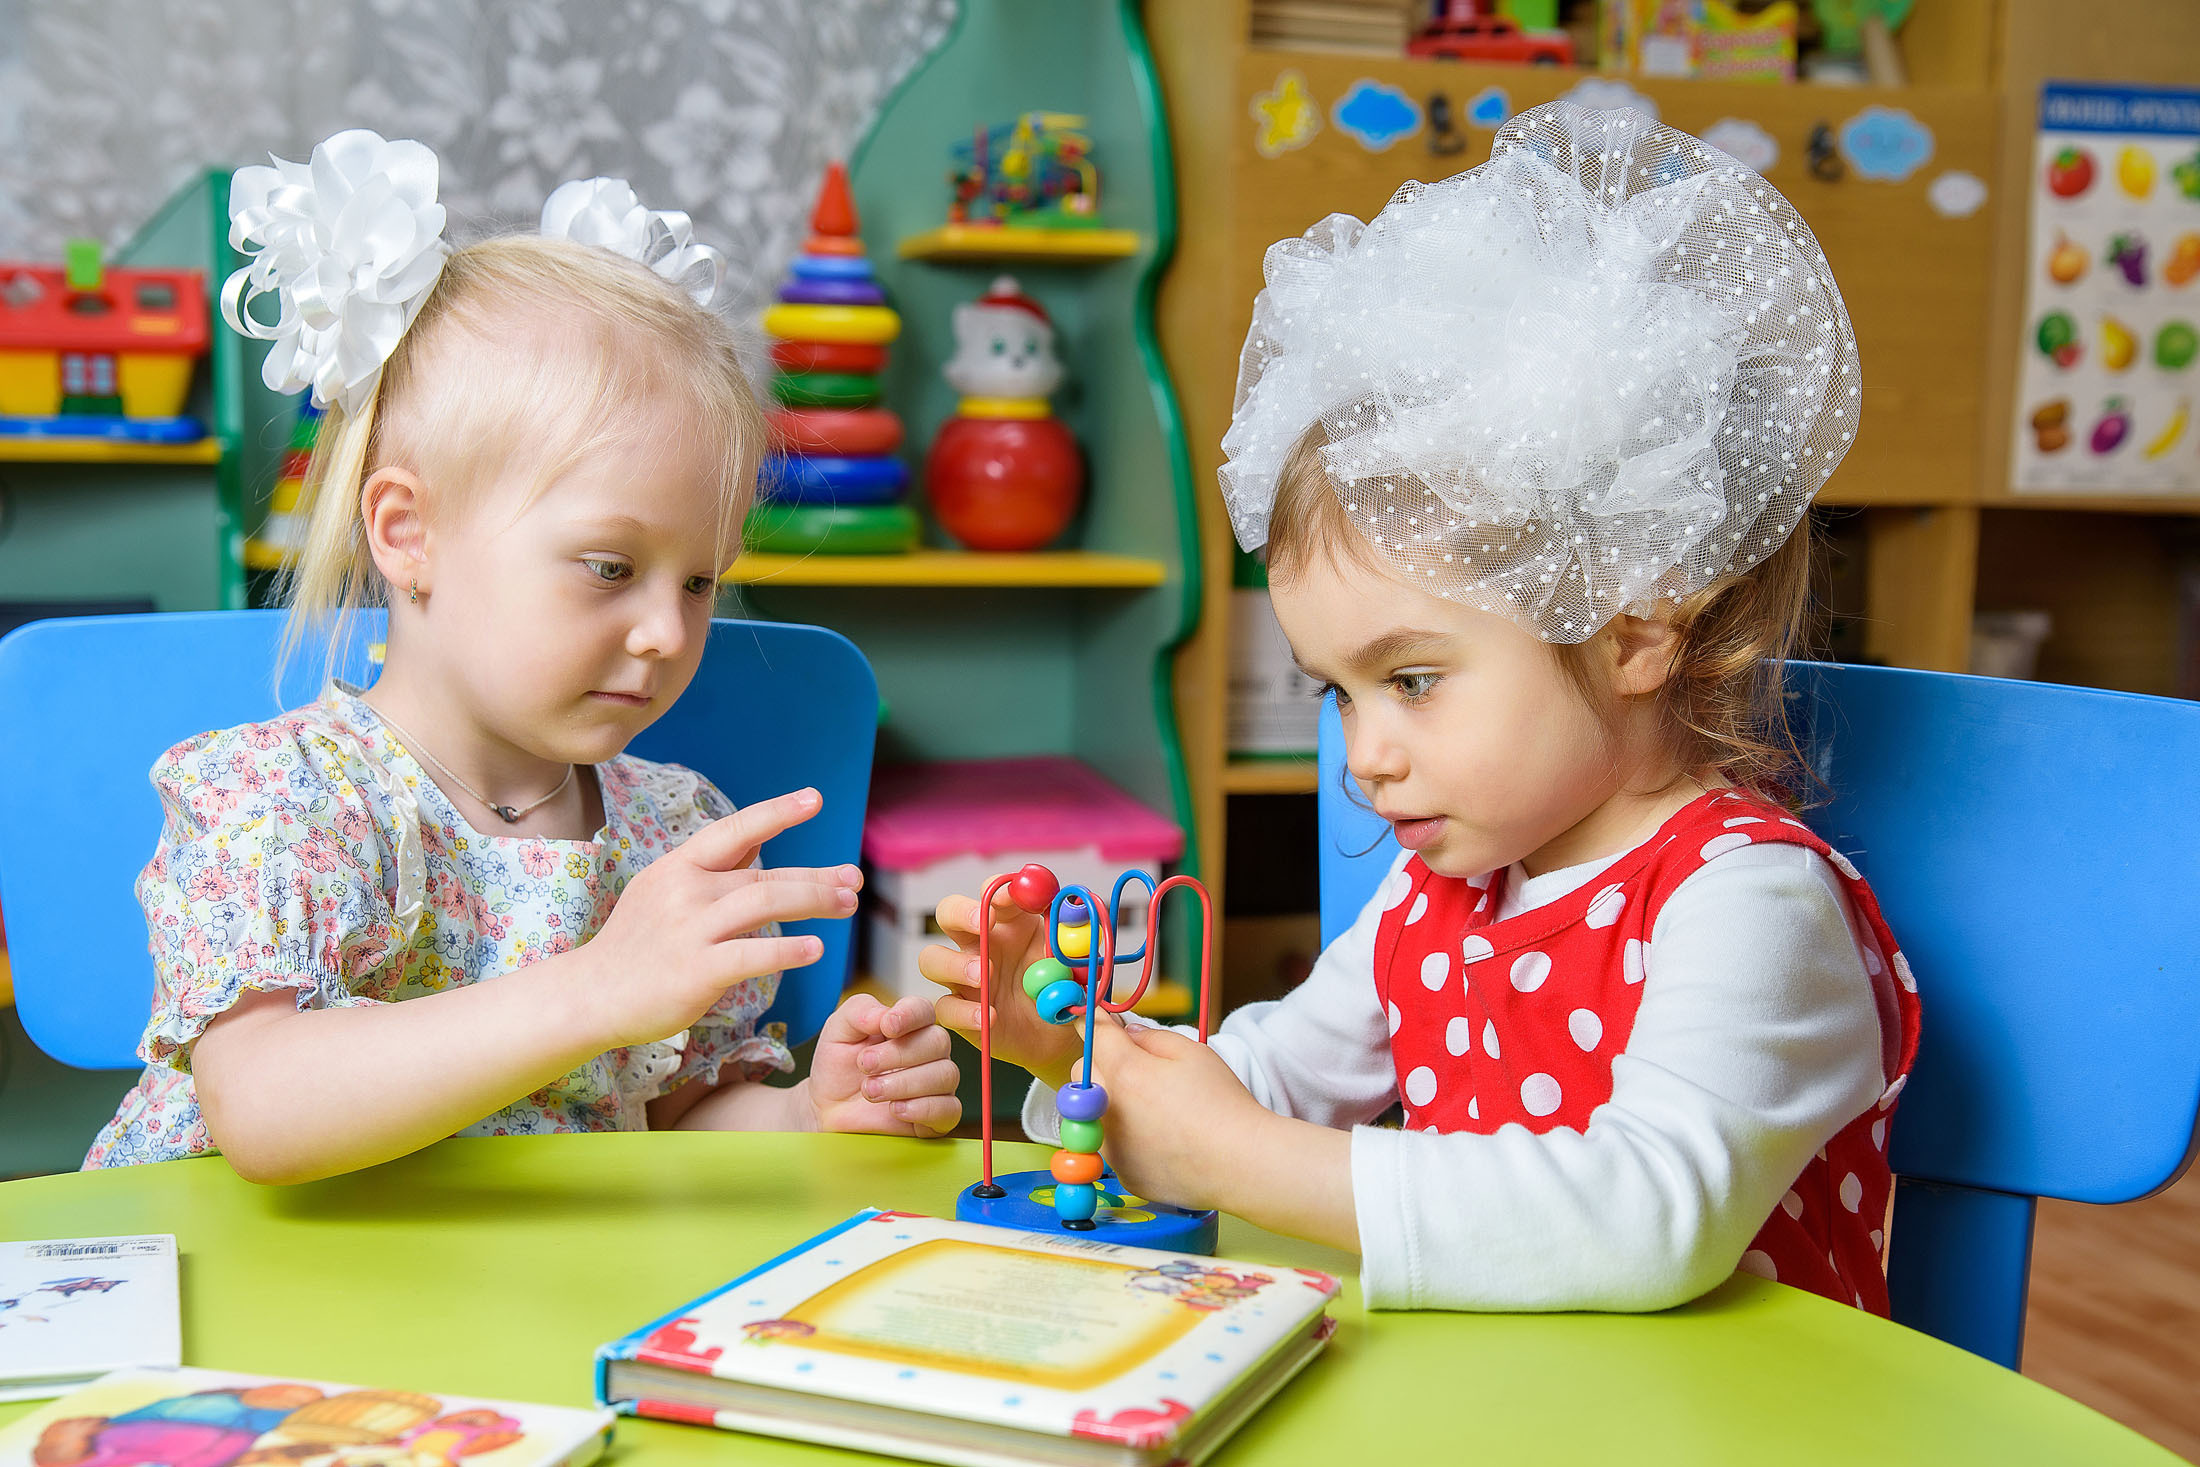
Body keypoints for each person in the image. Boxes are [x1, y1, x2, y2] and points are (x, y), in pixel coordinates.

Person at [927, 102, 1919, 1313]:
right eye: (1335, 693)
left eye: (1409, 680)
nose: (1364, 755)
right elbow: (1264, 1085)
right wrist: (1081, 1055)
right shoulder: (1442, 892)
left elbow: (1648, 1218)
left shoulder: (1750, 904)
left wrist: (1236, 1159)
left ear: (1631, 630)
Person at [87, 133, 958, 1180]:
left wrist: (810, 1114)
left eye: (699, 581)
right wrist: (597, 986)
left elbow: (674, 1122)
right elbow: (264, 1112)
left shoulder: (675, 829)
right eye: (608, 566)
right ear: (407, 533)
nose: (668, 632)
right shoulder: (283, 800)